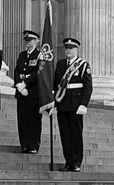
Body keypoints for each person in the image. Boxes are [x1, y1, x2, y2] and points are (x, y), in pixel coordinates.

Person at [51, 37, 92, 172]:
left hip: (76, 105)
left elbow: (88, 87)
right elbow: (56, 84)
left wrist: (84, 104)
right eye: (66, 48)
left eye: (71, 48)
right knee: (65, 135)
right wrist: (53, 101)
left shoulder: (83, 65)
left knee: (76, 134)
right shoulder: (60, 64)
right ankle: (68, 161)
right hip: (62, 103)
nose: (68, 50)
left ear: (76, 50)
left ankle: (76, 162)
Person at [12, 30, 43, 153]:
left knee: (33, 120)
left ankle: (33, 145)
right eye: (26, 40)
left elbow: (38, 73)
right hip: (21, 91)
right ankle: (24, 144)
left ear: (36, 41)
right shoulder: (22, 55)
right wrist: (19, 85)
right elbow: (17, 71)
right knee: (22, 119)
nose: (28, 43)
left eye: (30, 40)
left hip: (33, 91)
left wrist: (25, 84)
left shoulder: (39, 55)